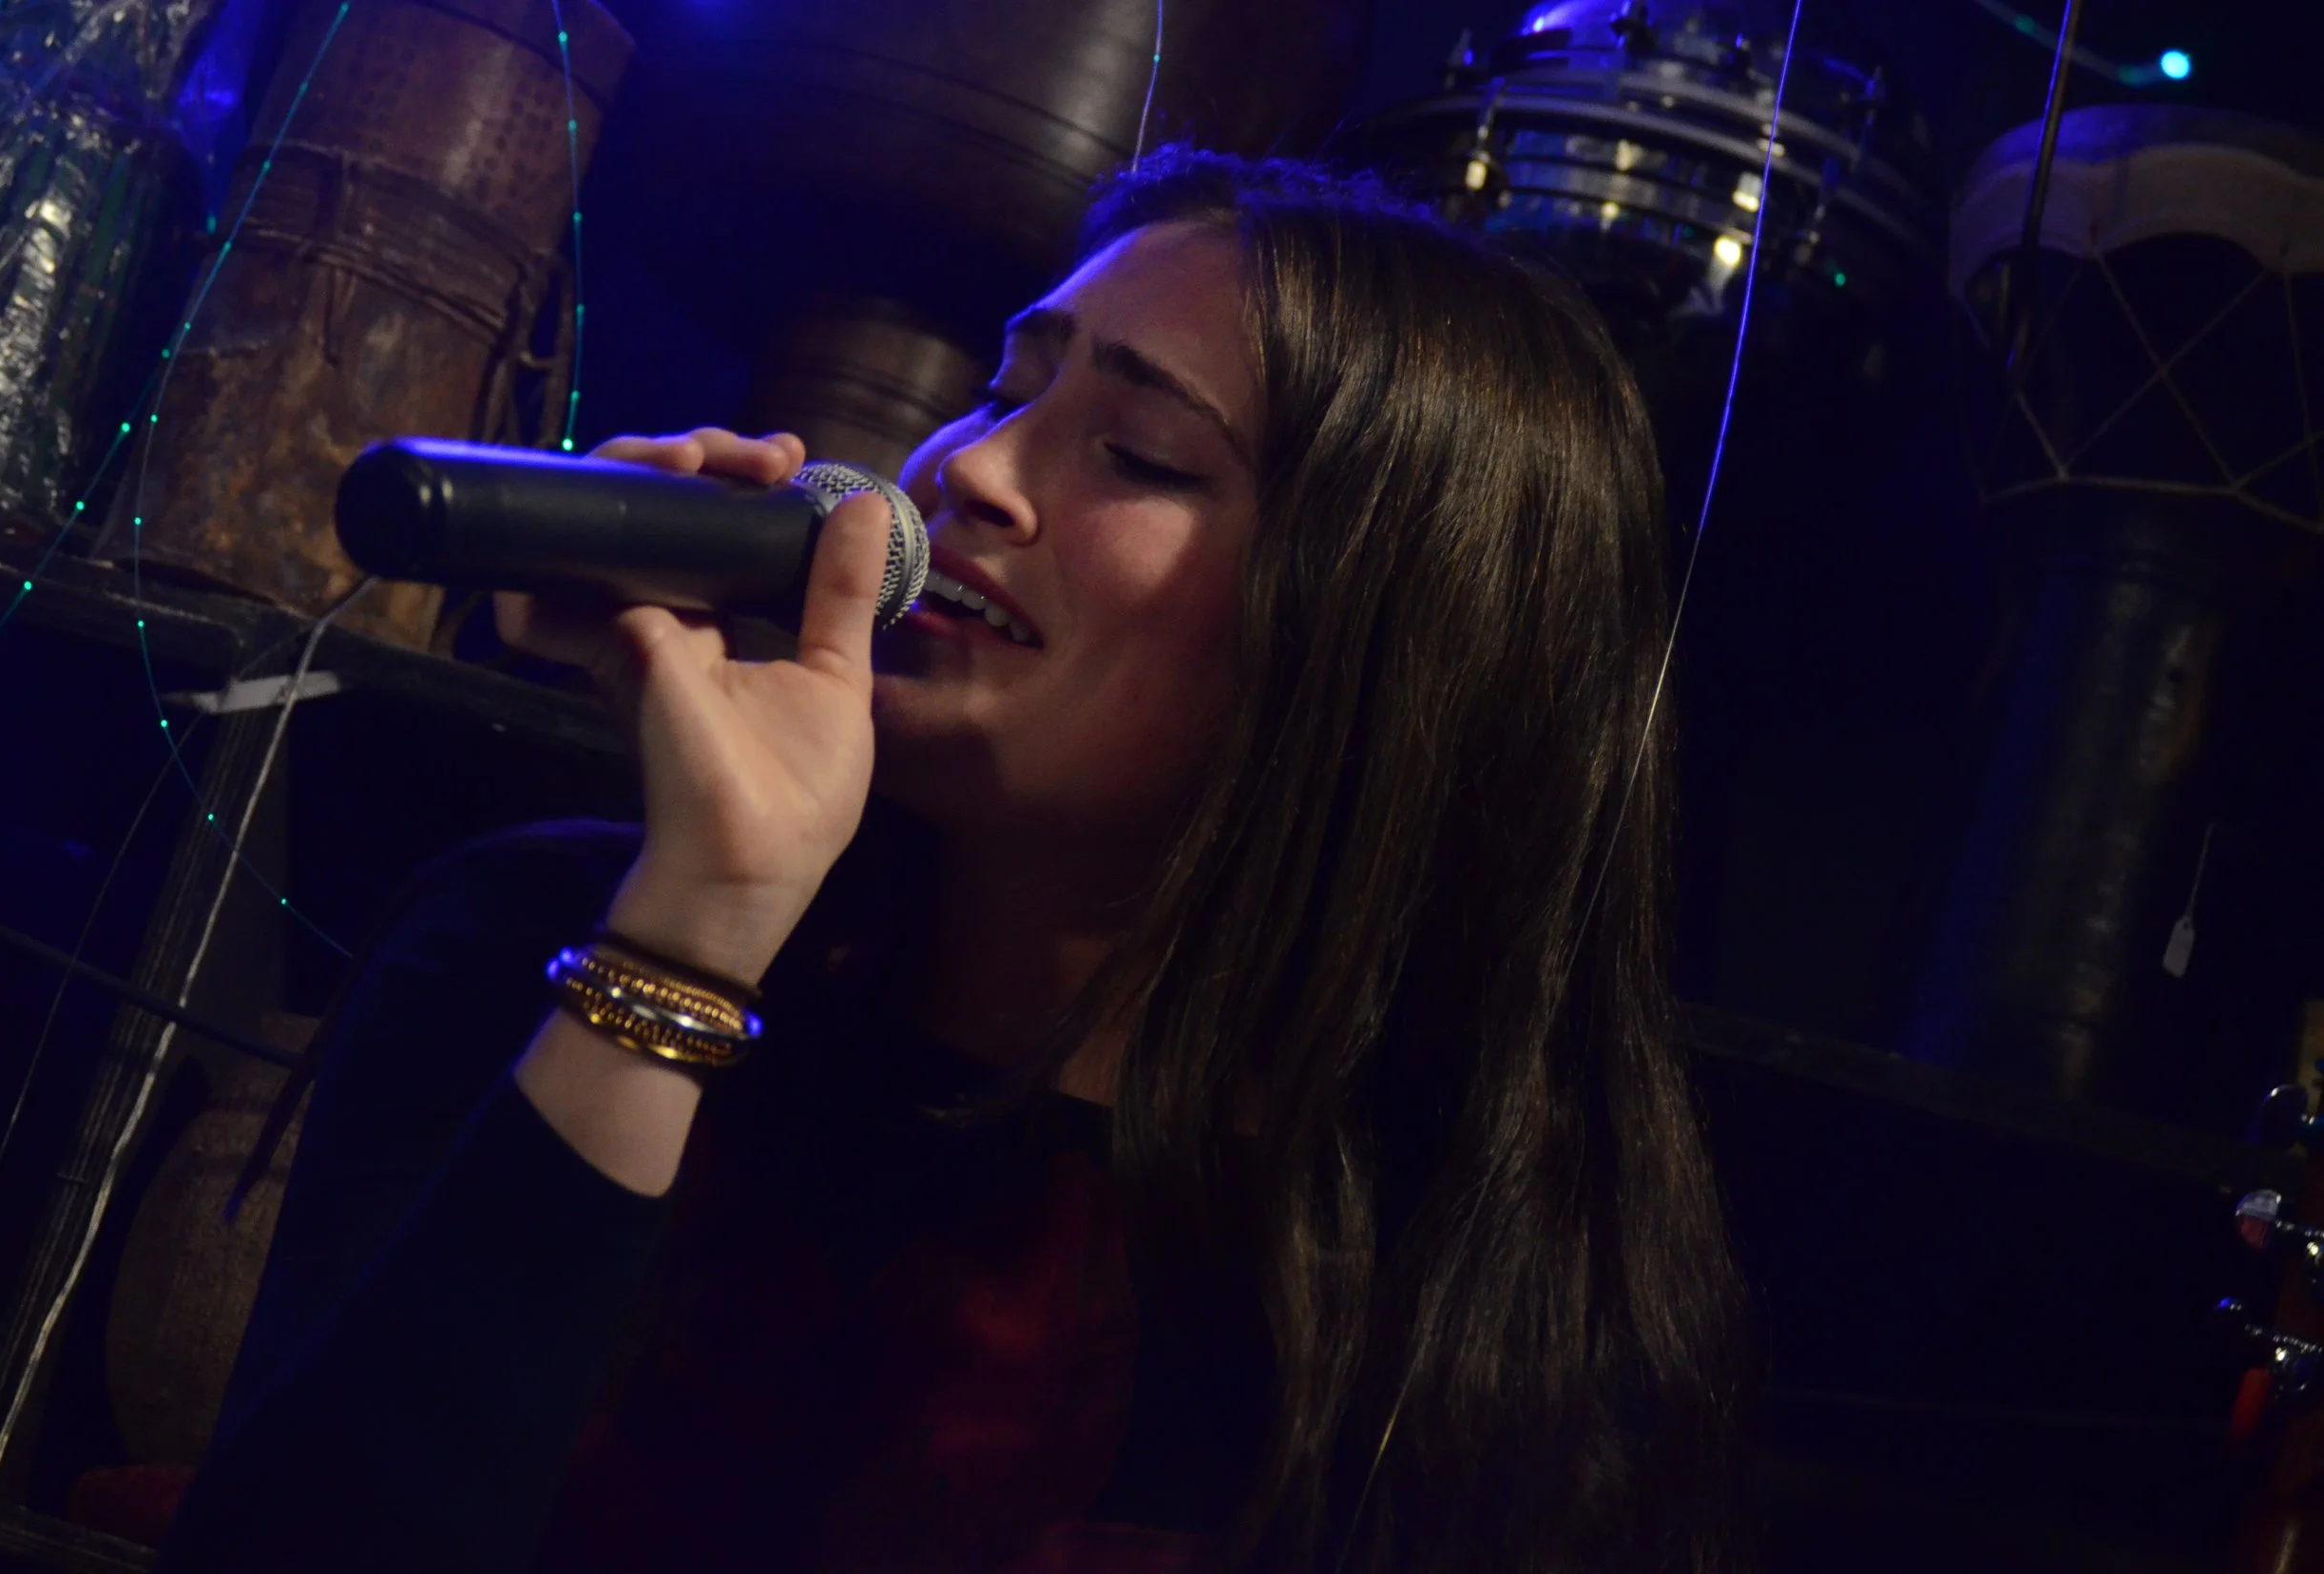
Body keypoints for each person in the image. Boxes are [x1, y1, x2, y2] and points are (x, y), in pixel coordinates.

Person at [156, 147, 1746, 1574]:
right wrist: (690, 933)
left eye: (1141, 453)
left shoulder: (1472, 1300)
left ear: (1386, 644)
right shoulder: (538, 943)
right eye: (1004, 390)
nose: (965, 469)